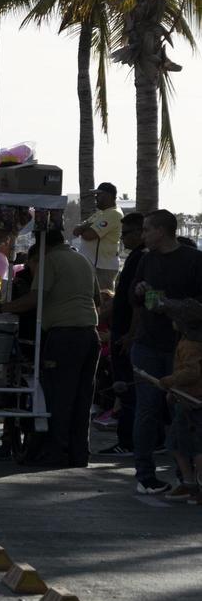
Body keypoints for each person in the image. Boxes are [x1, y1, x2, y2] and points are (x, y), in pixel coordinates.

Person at [0, 227, 99, 467]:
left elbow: (33, 299)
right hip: (89, 334)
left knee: (58, 396)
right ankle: (79, 453)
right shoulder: (82, 259)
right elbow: (96, 299)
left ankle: (55, 452)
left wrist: (0, 308)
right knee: (82, 397)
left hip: (64, 335)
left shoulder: (49, 261)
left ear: (43, 244)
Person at [129, 210, 202, 494]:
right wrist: (140, 290)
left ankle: (186, 478)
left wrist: (168, 305)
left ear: (162, 230)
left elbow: (198, 304)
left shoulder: (193, 260)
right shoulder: (146, 260)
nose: (143, 235)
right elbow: (133, 297)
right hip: (148, 344)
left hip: (182, 348)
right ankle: (145, 475)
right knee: (146, 411)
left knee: (183, 414)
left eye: (147, 229)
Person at [97, 213, 149, 459]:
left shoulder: (142, 258)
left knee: (128, 390)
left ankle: (128, 441)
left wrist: (130, 333)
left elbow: (138, 302)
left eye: (127, 233)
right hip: (123, 331)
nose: (122, 238)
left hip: (128, 335)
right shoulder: (136, 258)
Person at [148, 295, 202, 501]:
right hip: (184, 400)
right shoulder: (187, 342)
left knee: (196, 447)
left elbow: (191, 373)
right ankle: (189, 482)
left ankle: (198, 484)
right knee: (176, 444)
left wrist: (170, 380)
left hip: (193, 402)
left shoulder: (190, 345)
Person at [73, 181, 124, 290]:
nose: (96, 197)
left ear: (109, 196)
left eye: (99, 195)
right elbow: (76, 231)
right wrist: (86, 226)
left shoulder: (114, 213)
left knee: (103, 301)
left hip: (103, 268)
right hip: (93, 266)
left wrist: (85, 227)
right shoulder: (101, 213)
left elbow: (89, 235)